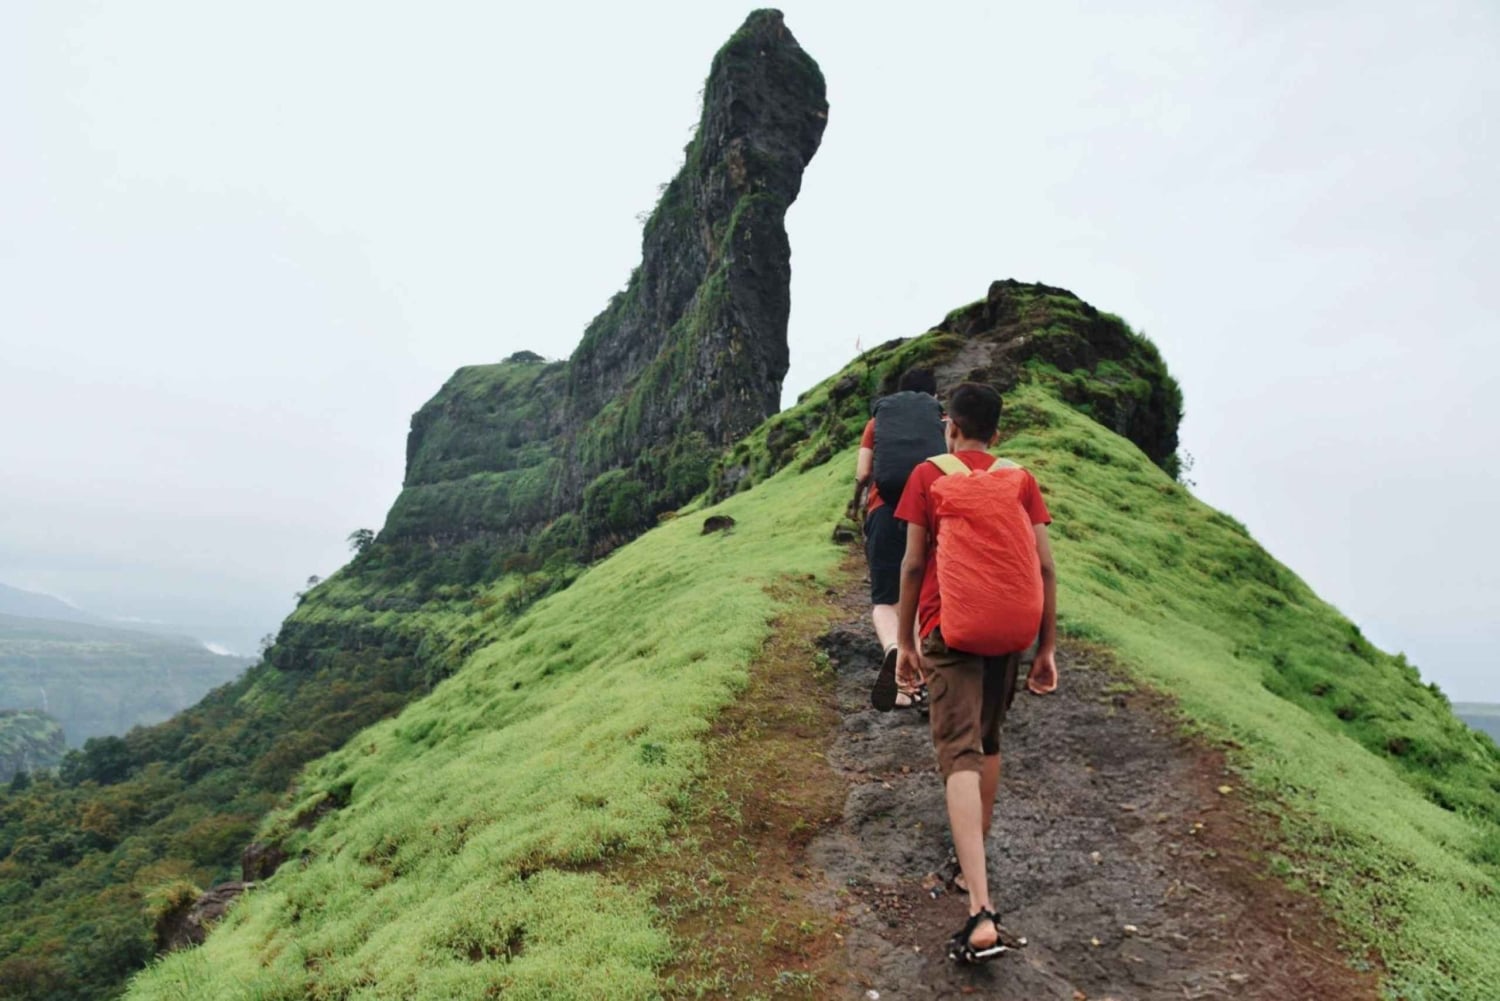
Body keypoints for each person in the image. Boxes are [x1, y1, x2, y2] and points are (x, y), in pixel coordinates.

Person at [892, 382, 1059, 963]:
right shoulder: (1020, 476)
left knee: (957, 752)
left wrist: (907, 642)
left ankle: (980, 911)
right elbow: (1045, 566)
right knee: (987, 742)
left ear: (951, 426)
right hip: (1011, 630)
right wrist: (1046, 649)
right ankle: (970, 871)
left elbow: (913, 562)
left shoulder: (927, 474)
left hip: (951, 628)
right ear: (997, 431)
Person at [847, 367, 946, 711]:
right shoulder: (940, 423)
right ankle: (915, 678)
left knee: (886, 599)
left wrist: (856, 500)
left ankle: (894, 653)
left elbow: (863, 472)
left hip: (884, 511)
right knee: (917, 595)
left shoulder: (877, 423)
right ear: (932, 397)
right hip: (928, 515)